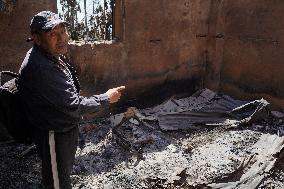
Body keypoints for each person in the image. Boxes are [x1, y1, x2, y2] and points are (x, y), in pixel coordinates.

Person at [18, 11, 125, 189]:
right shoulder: (40, 67)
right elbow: (73, 106)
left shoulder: (48, 55)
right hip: (53, 133)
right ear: (37, 39)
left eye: (63, 31)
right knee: (57, 182)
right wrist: (106, 98)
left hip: (63, 129)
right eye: (52, 34)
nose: (62, 38)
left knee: (61, 174)